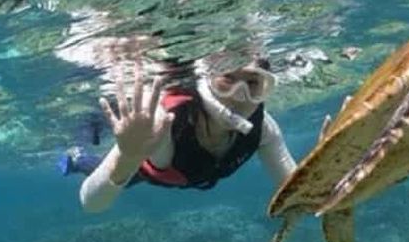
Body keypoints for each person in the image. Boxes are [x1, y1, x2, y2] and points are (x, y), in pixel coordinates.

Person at [62, 55, 298, 213]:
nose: (239, 95)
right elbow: (91, 202)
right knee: (98, 168)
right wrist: (128, 155)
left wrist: (328, 168)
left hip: (184, 174)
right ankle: (78, 159)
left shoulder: (264, 128)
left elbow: (297, 187)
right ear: (205, 78)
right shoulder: (164, 124)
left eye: (253, 84)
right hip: (147, 169)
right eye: (227, 79)